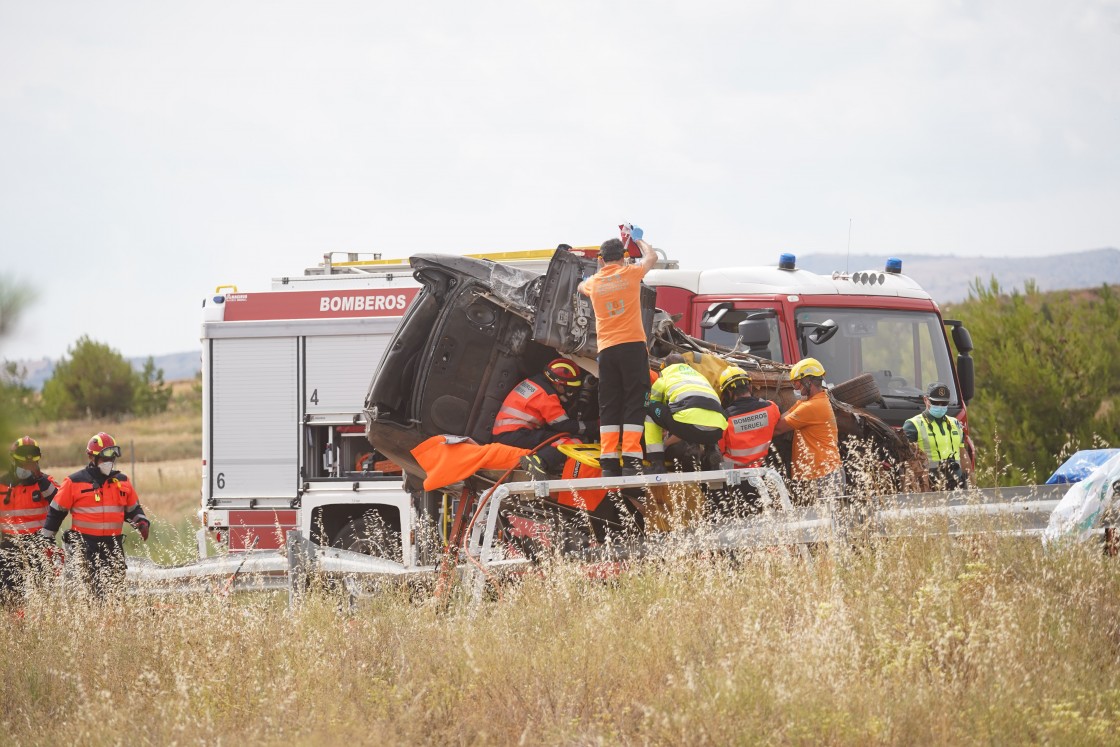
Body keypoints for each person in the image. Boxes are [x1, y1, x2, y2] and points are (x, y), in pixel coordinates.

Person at [577, 230, 658, 476]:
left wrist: (590, 276)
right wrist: (638, 240)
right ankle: (632, 461)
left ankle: (609, 462)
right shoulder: (631, 273)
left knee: (609, 403)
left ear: (601, 259)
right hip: (633, 347)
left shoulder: (594, 283)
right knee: (635, 399)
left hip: (608, 351)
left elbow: (581, 286)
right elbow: (652, 257)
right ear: (623, 257)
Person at [39, 432, 150, 596]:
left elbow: (133, 510)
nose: (109, 462)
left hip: (113, 546)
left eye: (112, 458)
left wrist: (141, 523)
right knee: (93, 594)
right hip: (85, 547)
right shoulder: (73, 482)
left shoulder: (123, 482)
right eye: (105, 458)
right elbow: (56, 512)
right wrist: (46, 540)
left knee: (115, 594)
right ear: (92, 457)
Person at [492, 358, 597, 477]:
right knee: (572, 440)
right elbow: (563, 425)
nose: (570, 392)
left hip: (504, 432)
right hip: (515, 434)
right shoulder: (546, 395)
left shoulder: (534, 382)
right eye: (568, 388)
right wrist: (595, 426)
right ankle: (538, 461)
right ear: (558, 383)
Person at [773, 358, 844, 503]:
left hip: (822, 475)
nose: (796, 388)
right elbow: (783, 418)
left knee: (826, 522)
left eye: (797, 383)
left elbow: (777, 429)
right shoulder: (813, 402)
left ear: (808, 381)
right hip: (824, 472)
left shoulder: (810, 407)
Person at [643, 354, 729, 473]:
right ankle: (712, 451)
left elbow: (656, 404)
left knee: (650, 407)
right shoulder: (700, 377)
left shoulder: (665, 378)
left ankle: (657, 463)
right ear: (686, 365)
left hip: (687, 424)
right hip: (717, 430)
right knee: (705, 413)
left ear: (664, 367)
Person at [1, 437, 58, 603]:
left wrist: (40, 480)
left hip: (38, 543)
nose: (27, 468)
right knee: (9, 594)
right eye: (22, 465)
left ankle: (40, 624)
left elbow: (60, 501)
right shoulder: (3, 484)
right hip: (8, 545)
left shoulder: (45, 483)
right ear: (13, 461)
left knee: (43, 592)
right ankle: (18, 625)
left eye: (30, 464)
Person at [903, 382, 968, 489]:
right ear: (925, 400)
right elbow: (908, 461)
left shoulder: (956, 424)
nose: (940, 406)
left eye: (944, 403)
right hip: (930, 483)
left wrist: (970, 482)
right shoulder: (913, 425)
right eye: (935, 403)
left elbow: (963, 455)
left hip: (957, 482)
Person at [717, 366, 780, 469]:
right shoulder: (771, 408)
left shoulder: (724, 419)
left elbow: (720, 449)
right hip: (762, 468)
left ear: (728, 393)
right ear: (750, 387)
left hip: (734, 474)